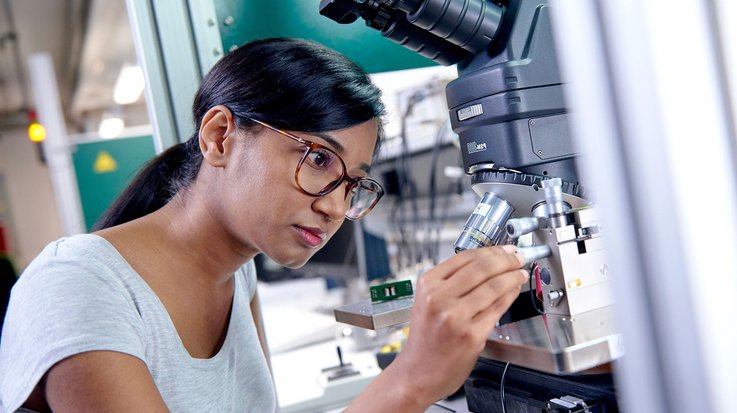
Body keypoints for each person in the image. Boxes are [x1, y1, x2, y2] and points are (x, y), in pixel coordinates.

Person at [0, 37, 527, 413]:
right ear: (220, 136)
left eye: (352, 183)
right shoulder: (76, 285)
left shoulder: (238, 275)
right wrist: (411, 382)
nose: (335, 207)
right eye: (319, 159)